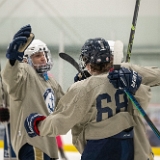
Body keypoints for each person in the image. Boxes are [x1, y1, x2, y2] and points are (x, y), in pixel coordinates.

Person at [24, 38, 152, 160]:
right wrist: (136, 82)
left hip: (99, 146)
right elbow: (143, 102)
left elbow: (61, 121)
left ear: (87, 62)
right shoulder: (125, 80)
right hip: (128, 144)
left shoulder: (82, 88)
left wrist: (38, 126)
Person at [1, 24, 65, 160]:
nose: (43, 58)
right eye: (37, 55)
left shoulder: (50, 80)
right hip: (33, 144)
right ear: (26, 60)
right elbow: (10, 77)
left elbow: (68, 105)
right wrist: (13, 61)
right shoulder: (26, 73)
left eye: (44, 54)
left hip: (48, 144)